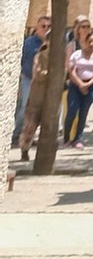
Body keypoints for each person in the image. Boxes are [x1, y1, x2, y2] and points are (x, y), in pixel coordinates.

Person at [13, 14, 50, 156]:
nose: (45, 29)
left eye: (48, 26)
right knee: (24, 107)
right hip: (28, 79)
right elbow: (21, 62)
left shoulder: (52, 43)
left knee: (39, 112)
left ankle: (29, 137)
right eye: (43, 26)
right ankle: (17, 134)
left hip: (44, 84)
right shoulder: (29, 43)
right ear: (37, 27)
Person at [63, 19, 93, 145]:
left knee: (83, 113)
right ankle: (66, 137)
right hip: (76, 85)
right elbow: (71, 70)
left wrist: (89, 84)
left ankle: (78, 138)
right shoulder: (77, 54)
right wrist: (80, 84)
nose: (92, 43)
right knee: (72, 111)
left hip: (91, 85)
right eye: (89, 41)